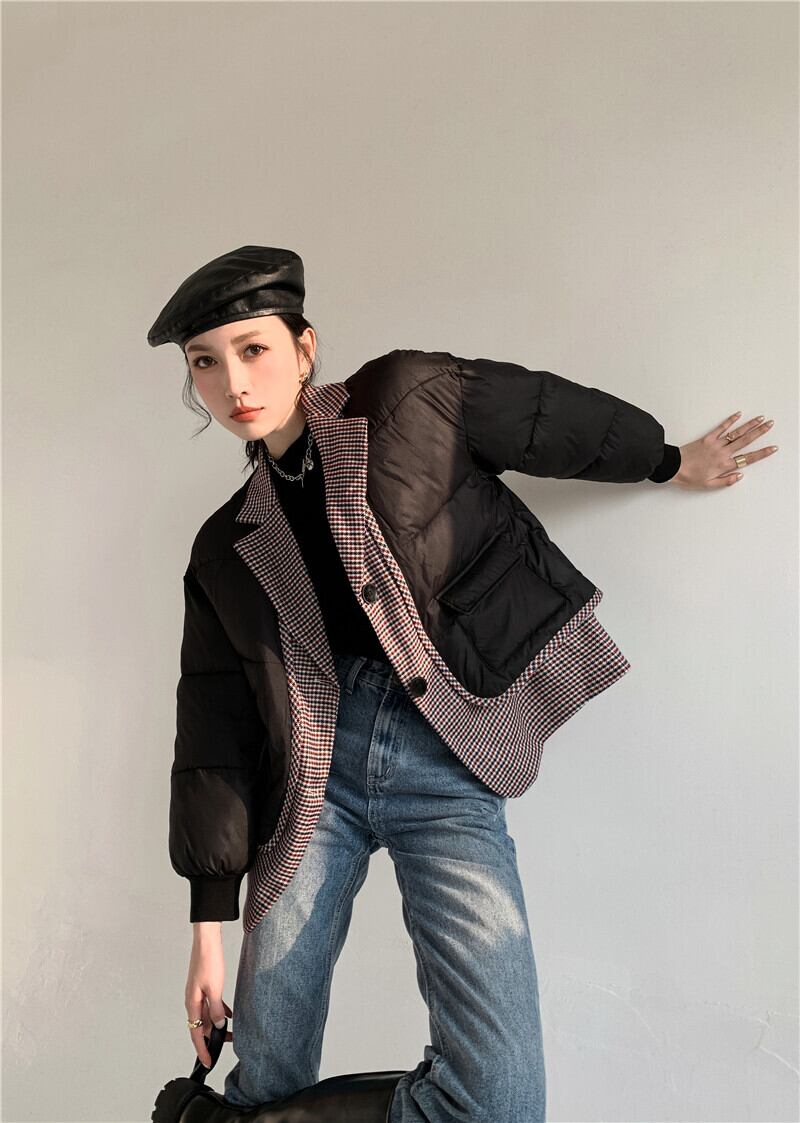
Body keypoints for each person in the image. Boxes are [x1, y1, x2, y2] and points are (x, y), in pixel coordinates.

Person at [147, 246, 778, 1123]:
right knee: (266, 1074)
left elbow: (550, 417)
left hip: (446, 753)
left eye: (253, 348)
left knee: (500, 1104)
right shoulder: (226, 544)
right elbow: (212, 731)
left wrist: (668, 459)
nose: (234, 383)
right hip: (313, 787)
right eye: (205, 363)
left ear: (304, 346)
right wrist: (207, 929)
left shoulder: (407, 398)